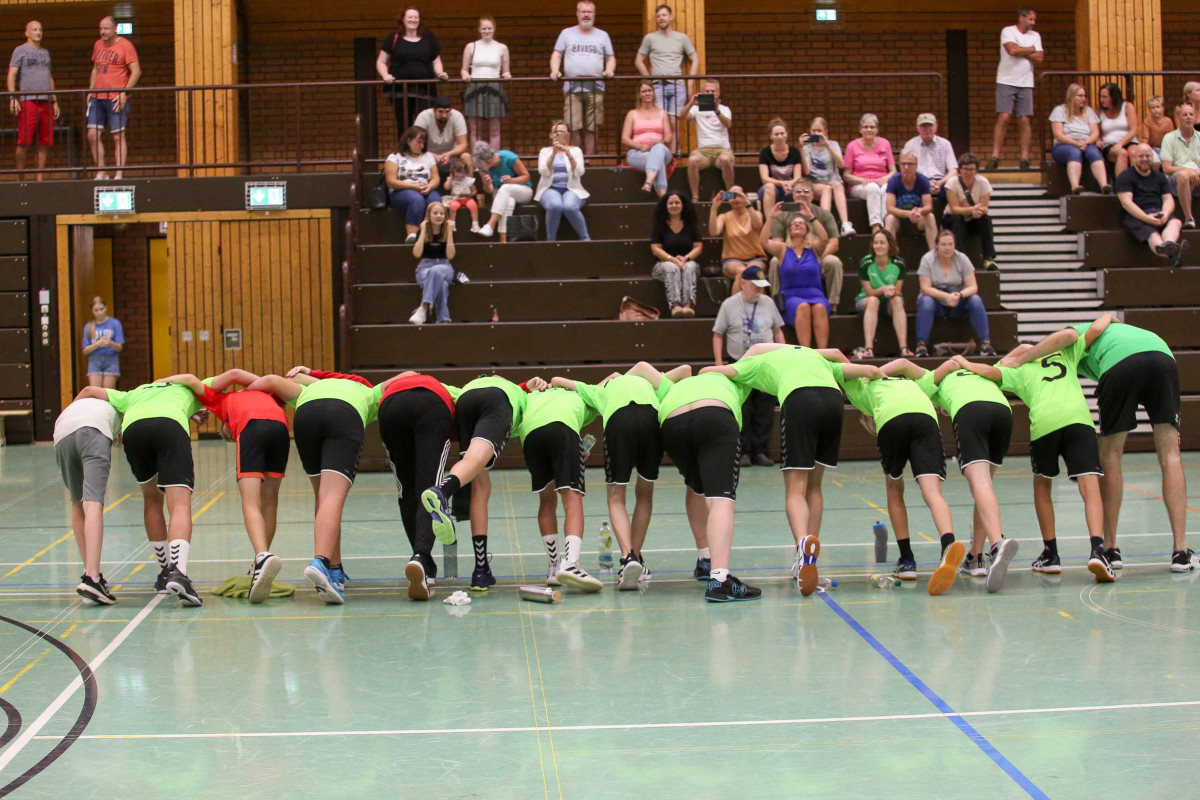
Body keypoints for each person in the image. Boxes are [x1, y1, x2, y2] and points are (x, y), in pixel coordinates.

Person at [1001, 315, 1191, 571]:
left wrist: (1019, 358)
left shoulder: (1070, 341)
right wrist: (1109, 317)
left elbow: (1065, 336)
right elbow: (1105, 321)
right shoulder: (1096, 345)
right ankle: (1181, 551)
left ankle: (1110, 549)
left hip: (1120, 364)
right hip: (1163, 358)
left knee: (1110, 455)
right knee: (1171, 455)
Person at [703, 343, 883, 596]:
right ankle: (809, 560)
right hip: (833, 402)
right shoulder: (816, 358)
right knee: (815, 487)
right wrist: (867, 405)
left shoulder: (758, 362)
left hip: (800, 401)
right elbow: (871, 370)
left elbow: (710, 371)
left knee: (796, 488)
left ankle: (802, 547)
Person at [955, 341, 1114, 583]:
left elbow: (989, 371)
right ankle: (1097, 550)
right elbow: (1079, 331)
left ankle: (1051, 554)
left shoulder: (1019, 370)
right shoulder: (1065, 354)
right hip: (1079, 421)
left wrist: (965, 362)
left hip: (1044, 424)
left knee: (1042, 484)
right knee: (1089, 484)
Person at [828, 350, 965, 595]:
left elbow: (839, 361)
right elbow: (906, 362)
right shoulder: (913, 384)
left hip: (892, 420)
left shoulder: (861, 390)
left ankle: (907, 560)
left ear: (867, 416)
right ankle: (947, 545)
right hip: (925, 418)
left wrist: (870, 376)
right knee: (932, 491)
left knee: (894, 487)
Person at [551, 362, 693, 589]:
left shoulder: (600, 390)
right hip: (651, 420)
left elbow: (558, 380)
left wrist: (599, 385)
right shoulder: (648, 382)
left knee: (616, 497)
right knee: (645, 494)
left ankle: (628, 557)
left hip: (619, 422)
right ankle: (636, 558)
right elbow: (686, 370)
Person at [882, 358, 1018, 592]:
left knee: (980, 484)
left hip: (971, 410)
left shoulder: (928, 382)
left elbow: (904, 364)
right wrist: (965, 363)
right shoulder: (977, 372)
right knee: (985, 485)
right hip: (1002, 410)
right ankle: (976, 557)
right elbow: (1016, 354)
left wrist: (872, 375)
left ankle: (997, 543)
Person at [244, 371, 379, 604]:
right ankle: (322, 562)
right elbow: (406, 378)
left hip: (306, 416)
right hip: (344, 417)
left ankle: (335, 570)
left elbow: (271, 381)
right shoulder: (369, 392)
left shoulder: (310, 389)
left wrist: (239, 400)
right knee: (333, 496)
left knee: (323, 497)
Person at [160, 370, 290, 603]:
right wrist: (257, 383)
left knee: (250, 501)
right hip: (281, 427)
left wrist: (155, 384)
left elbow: (211, 377)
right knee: (270, 500)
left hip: (252, 427)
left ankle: (262, 557)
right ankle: (259, 562)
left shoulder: (220, 401)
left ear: (227, 427)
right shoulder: (268, 394)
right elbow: (244, 376)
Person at [75, 379, 205, 606]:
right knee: (179, 504)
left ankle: (164, 573)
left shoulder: (133, 393)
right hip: (170, 428)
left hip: (134, 432)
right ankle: (178, 573)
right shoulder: (187, 389)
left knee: (152, 499)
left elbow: (88, 390)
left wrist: (71, 418)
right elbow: (230, 378)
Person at [421, 375, 546, 591]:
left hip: (465, 403)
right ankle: (443, 491)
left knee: (478, 480)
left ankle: (482, 570)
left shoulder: (469, 387)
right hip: (497, 402)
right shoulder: (514, 392)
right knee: (476, 462)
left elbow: (439, 388)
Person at [657, 372, 761, 602]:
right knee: (721, 498)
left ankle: (705, 559)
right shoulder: (734, 378)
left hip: (672, 422)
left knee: (696, 487)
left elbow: (645, 373)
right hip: (715, 415)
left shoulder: (674, 385)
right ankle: (720, 579)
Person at [517, 387, 605, 592]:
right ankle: (571, 564)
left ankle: (554, 567)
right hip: (562, 429)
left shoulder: (531, 396)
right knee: (572, 498)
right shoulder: (580, 395)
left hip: (531, 435)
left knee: (546, 500)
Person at [711, 265, 785, 468]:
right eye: (755, 285)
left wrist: (783, 356)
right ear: (743, 283)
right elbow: (718, 335)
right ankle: (743, 451)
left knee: (764, 409)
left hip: (766, 364)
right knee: (742, 408)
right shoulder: (729, 305)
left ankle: (760, 451)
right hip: (739, 363)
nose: (760, 289)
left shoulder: (768, 303)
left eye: (762, 285)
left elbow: (778, 332)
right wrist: (719, 363)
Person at [54, 390, 121, 604]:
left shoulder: (90, 401)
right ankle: (92, 577)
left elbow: (86, 391)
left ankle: (90, 573)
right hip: (93, 431)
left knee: (77, 502)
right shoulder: (124, 401)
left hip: (61, 432)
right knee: (93, 503)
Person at [915, 229, 996, 358]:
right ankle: (921, 345)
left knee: (975, 299)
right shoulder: (927, 259)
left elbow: (973, 287)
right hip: (937, 302)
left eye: (950, 244)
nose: (947, 248)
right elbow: (925, 288)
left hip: (958, 301)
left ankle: (985, 344)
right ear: (936, 245)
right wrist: (946, 296)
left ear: (954, 245)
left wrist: (959, 295)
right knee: (925, 301)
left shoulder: (962, 258)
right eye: (943, 244)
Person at [549, 0, 615, 156]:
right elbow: (557, 54)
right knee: (573, 126)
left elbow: (610, 57)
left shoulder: (603, 35)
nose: (586, 15)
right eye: (583, 12)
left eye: (589, 12)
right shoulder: (566, 33)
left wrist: (609, 69)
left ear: (594, 14)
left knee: (592, 126)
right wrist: (554, 70)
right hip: (572, 88)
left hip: (596, 88)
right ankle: (577, 158)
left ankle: (589, 160)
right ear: (577, 14)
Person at [761, 202, 831, 348]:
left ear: (807, 230)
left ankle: (823, 352)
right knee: (802, 306)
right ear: (789, 230)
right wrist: (771, 217)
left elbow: (825, 238)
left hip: (815, 293)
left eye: (801, 223)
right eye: (793, 224)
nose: (797, 224)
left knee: (819, 307)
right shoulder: (782, 249)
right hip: (791, 295)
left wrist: (810, 216)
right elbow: (763, 241)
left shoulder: (814, 249)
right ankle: (805, 351)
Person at [767, 178, 845, 308]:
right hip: (791, 255)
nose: (802, 194)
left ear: (813, 195)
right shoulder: (783, 215)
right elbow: (777, 242)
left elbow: (834, 242)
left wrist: (816, 257)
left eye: (806, 191)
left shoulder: (824, 214)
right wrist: (793, 257)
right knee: (775, 261)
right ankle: (777, 303)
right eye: (798, 191)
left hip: (817, 254)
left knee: (834, 262)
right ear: (793, 194)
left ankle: (833, 304)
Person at [376, 6, 448, 133]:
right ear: (403, 19)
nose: (413, 20)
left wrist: (440, 73)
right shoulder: (393, 38)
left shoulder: (429, 38)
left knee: (424, 125)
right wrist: (385, 75)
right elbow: (381, 61)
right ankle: (404, 146)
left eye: (416, 17)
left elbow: (436, 60)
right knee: (403, 125)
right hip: (400, 90)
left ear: (420, 20)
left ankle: (422, 146)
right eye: (410, 17)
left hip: (425, 90)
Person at [989, 6, 1041, 171]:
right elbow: (1011, 50)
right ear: (1021, 18)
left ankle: (1024, 158)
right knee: (1004, 117)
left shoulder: (1035, 36)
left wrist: (1021, 50)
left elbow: (1040, 57)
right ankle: (995, 156)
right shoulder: (1008, 31)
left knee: (1024, 119)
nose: (1033, 23)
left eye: (1034, 20)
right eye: (1030, 19)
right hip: (1006, 80)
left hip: (1026, 82)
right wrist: (1031, 49)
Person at [1115, 143, 1185, 265]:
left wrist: (1165, 213)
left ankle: (1168, 244)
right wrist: (1147, 218)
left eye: (1148, 156)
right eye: (1141, 156)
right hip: (1135, 216)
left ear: (1152, 157)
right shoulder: (1125, 177)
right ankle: (1172, 253)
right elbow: (1126, 203)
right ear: (1134, 158)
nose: (1145, 159)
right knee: (1152, 234)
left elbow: (1168, 199)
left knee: (1176, 222)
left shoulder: (1160, 177)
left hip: (1157, 212)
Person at [87, 16, 139, 180]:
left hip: (116, 98)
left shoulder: (125, 45)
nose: (103, 31)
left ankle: (119, 173)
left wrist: (124, 92)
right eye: (101, 28)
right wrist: (90, 90)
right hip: (97, 97)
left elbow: (136, 71)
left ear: (115, 29)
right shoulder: (97, 44)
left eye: (106, 28)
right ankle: (101, 171)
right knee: (92, 134)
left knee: (118, 136)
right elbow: (95, 69)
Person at [8, 20, 59, 182]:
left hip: (46, 101)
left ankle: (39, 178)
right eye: (35, 29)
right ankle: (20, 177)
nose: (38, 32)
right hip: (28, 100)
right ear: (27, 33)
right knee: (24, 141)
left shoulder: (45, 52)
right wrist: (12, 97)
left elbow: (49, 76)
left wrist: (54, 100)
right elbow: (12, 75)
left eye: (40, 30)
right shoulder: (20, 50)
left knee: (44, 142)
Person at [853, 228, 910, 360]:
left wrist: (891, 291)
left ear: (890, 244)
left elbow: (898, 291)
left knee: (897, 300)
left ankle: (904, 348)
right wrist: (883, 289)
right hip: (866, 301)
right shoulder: (865, 263)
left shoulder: (899, 263)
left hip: (889, 302)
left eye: (882, 243)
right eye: (876, 242)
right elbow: (869, 292)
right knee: (874, 300)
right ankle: (868, 348)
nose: (878, 246)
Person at [634, 4, 698, 118]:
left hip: (677, 85)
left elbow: (695, 59)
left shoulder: (682, 38)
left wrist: (690, 84)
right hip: (657, 86)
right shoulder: (650, 38)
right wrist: (649, 80)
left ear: (671, 17)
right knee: (660, 120)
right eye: (658, 16)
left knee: (673, 122)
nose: (661, 18)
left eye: (664, 15)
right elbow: (638, 61)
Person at [460, 16, 510, 151]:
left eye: (489, 28)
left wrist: (506, 75)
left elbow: (506, 71)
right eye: (484, 29)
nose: (487, 31)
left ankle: (493, 158)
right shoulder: (471, 46)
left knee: (495, 129)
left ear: (494, 29)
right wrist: (465, 74)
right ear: (479, 30)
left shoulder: (502, 48)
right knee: (475, 129)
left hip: (494, 86)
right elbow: (464, 70)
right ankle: (477, 158)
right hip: (475, 86)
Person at [1049, 83, 1110, 194]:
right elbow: (1058, 135)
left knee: (1094, 153)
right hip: (1064, 145)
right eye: (1080, 96)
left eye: (1084, 96)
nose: (1084, 99)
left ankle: (1104, 185)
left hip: (1086, 144)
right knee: (1074, 152)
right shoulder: (1059, 110)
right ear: (1071, 96)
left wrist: (1086, 142)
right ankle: (1075, 186)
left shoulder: (1088, 111)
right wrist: (1076, 143)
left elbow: (1095, 132)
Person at [535, 120, 590, 241]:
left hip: (572, 189)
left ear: (568, 135)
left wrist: (569, 154)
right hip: (550, 188)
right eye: (556, 132)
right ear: (551, 135)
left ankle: (585, 239)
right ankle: (551, 240)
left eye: (562, 132)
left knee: (570, 207)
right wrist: (553, 154)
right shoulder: (545, 151)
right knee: (555, 205)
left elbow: (579, 172)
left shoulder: (576, 151)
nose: (559, 134)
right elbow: (543, 172)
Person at [386, 126, 442, 243]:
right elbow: (391, 181)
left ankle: (434, 236)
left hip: (425, 188)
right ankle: (412, 236)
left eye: (423, 143)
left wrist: (430, 186)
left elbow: (436, 178)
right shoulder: (395, 157)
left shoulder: (428, 156)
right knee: (416, 199)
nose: (421, 146)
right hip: (402, 191)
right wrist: (413, 187)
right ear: (408, 141)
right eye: (418, 142)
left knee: (435, 200)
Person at [650, 190, 702, 317]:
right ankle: (675, 306)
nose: (674, 205)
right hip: (663, 265)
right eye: (671, 203)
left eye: (677, 203)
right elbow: (655, 249)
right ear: (666, 206)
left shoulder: (691, 225)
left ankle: (688, 306)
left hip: (687, 262)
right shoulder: (660, 225)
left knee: (689, 267)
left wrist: (685, 258)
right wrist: (672, 259)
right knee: (672, 268)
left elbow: (698, 247)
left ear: (683, 205)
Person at [943, 153, 998, 271]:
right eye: (966, 169)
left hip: (973, 219)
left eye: (972, 169)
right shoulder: (952, 183)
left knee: (986, 219)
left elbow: (985, 207)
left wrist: (979, 211)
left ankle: (989, 258)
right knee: (958, 219)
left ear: (976, 170)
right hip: (953, 219)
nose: (969, 172)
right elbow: (954, 208)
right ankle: (959, 259)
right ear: (960, 170)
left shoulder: (983, 182)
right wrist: (972, 210)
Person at [681, 79, 733, 201]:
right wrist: (691, 102)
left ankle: (730, 195)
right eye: (707, 91)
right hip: (703, 151)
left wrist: (716, 110)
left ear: (718, 93)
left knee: (726, 160)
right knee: (692, 160)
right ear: (702, 92)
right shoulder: (696, 109)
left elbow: (728, 124)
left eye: (712, 91)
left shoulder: (724, 108)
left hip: (722, 150)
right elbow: (682, 116)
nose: (710, 93)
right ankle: (695, 197)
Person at [843, 113, 895, 232]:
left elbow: (893, 170)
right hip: (859, 185)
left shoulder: (885, 144)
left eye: (872, 127)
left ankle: (887, 226)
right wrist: (861, 180)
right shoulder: (852, 146)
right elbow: (846, 175)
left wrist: (886, 178)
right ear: (860, 130)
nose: (869, 130)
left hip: (881, 182)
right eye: (865, 127)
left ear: (877, 129)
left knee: (887, 188)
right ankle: (875, 226)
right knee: (872, 188)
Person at [622, 79, 675, 196]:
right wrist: (639, 146)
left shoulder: (662, 113)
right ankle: (663, 196)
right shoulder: (632, 113)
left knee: (658, 149)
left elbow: (669, 137)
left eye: (650, 90)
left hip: (661, 150)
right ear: (639, 95)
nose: (647, 93)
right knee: (657, 160)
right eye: (644, 91)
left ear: (654, 93)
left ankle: (649, 181)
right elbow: (624, 138)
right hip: (638, 152)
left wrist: (661, 141)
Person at [802, 116, 854, 235]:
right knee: (826, 188)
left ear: (826, 131)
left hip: (833, 182)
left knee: (837, 185)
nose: (816, 133)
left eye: (819, 130)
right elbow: (807, 171)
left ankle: (845, 224)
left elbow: (841, 165)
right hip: (816, 184)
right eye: (814, 131)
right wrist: (801, 148)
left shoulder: (833, 144)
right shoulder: (807, 148)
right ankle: (824, 223)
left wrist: (827, 146)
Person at [472, 141, 533, 241]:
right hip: (501, 195)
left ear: (488, 161)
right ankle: (503, 241)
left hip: (523, 191)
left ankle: (491, 224)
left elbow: (526, 177)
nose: (480, 168)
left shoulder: (508, 157)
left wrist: (511, 180)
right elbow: (490, 190)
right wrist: (487, 184)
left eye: (481, 166)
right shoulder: (483, 169)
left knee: (505, 187)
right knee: (509, 202)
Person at [708, 185, 764, 292]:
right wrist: (714, 208)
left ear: (745, 196)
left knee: (754, 271)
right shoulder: (724, 217)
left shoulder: (756, 214)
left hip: (755, 258)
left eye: (738, 195)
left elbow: (758, 225)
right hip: (732, 260)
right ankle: (736, 303)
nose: (735, 199)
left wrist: (747, 203)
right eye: (732, 196)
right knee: (741, 271)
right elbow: (713, 232)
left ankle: (760, 301)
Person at [411, 202, 457, 324]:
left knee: (436, 271)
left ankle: (423, 307)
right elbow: (416, 254)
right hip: (425, 266)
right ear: (429, 215)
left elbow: (450, 255)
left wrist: (450, 232)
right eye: (435, 213)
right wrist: (423, 231)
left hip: (445, 266)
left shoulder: (448, 231)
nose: (439, 216)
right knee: (441, 283)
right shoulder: (422, 232)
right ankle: (443, 319)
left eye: (442, 213)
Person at [885, 149, 937, 253]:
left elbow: (928, 207)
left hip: (918, 219)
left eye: (910, 164)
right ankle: (891, 255)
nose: (906, 167)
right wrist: (909, 213)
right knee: (890, 219)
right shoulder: (893, 180)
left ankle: (934, 255)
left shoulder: (923, 180)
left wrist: (919, 211)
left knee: (930, 217)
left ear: (916, 165)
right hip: (899, 219)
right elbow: (889, 208)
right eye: (903, 164)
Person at [1159, 101, 1200, 228]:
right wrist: (1188, 172)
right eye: (1185, 115)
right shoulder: (1169, 138)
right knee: (1183, 175)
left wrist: (1196, 173)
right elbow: (1166, 168)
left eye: (1191, 114)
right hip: (1175, 181)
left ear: (1195, 117)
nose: (1189, 117)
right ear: (1178, 118)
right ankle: (1189, 218)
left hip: (1198, 177)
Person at [903, 113, 957, 199]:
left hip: (941, 182)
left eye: (930, 125)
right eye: (923, 126)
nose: (927, 129)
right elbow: (907, 170)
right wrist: (926, 183)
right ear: (917, 127)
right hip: (918, 181)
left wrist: (939, 183)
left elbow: (953, 170)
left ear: (936, 126)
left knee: (953, 189)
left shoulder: (945, 144)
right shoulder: (910, 145)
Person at [413, 96, 469, 179]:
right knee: (415, 155)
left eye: (447, 111)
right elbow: (416, 144)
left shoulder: (457, 116)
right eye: (440, 111)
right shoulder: (424, 116)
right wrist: (433, 156)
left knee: (466, 156)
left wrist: (449, 154)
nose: (444, 115)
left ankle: (470, 185)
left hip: (451, 156)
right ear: (434, 110)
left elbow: (463, 144)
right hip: (427, 155)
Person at [758, 118, 803, 207]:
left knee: (802, 189)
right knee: (769, 187)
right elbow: (764, 178)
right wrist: (781, 183)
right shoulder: (765, 152)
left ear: (787, 134)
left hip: (790, 187)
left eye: (782, 133)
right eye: (776, 134)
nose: (780, 137)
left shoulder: (795, 152)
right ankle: (770, 216)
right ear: (771, 136)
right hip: (771, 188)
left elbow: (798, 177)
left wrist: (789, 184)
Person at [1098, 82, 1139, 178]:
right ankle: (1122, 184)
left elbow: (1133, 130)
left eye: (1105, 97)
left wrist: (1120, 143)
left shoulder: (1127, 106)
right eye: (1100, 96)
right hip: (1109, 144)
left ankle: (1137, 183)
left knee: (1134, 153)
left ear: (1113, 97)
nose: (1101, 100)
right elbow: (1097, 132)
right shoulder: (1099, 112)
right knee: (1122, 153)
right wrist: (1098, 140)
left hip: (1129, 141)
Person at [81, 295, 123, 389]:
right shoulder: (89, 326)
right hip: (94, 360)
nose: (99, 313)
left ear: (106, 308)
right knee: (96, 391)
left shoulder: (115, 324)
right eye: (96, 310)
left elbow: (119, 347)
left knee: (108, 391)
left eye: (101, 309)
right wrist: (97, 344)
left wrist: (110, 343)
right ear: (92, 311)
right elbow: (85, 350)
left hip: (111, 359)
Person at [445, 157, 480, 233]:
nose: (460, 178)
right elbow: (446, 187)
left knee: (473, 205)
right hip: (456, 199)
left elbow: (474, 191)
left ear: (466, 173)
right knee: (453, 206)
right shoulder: (452, 180)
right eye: (457, 176)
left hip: (467, 198)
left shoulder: (468, 180)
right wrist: (450, 178)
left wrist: (470, 194)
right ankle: (452, 223)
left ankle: (475, 223)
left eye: (462, 176)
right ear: (453, 173)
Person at [1139, 95, 1174, 167]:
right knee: (1156, 163)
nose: (1155, 109)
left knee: (1168, 162)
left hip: (1165, 149)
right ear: (1149, 110)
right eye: (1152, 108)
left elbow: (1172, 139)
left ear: (1163, 108)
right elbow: (1145, 139)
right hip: (1152, 148)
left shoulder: (1168, 121)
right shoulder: (1147, 121)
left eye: (1158, 107)